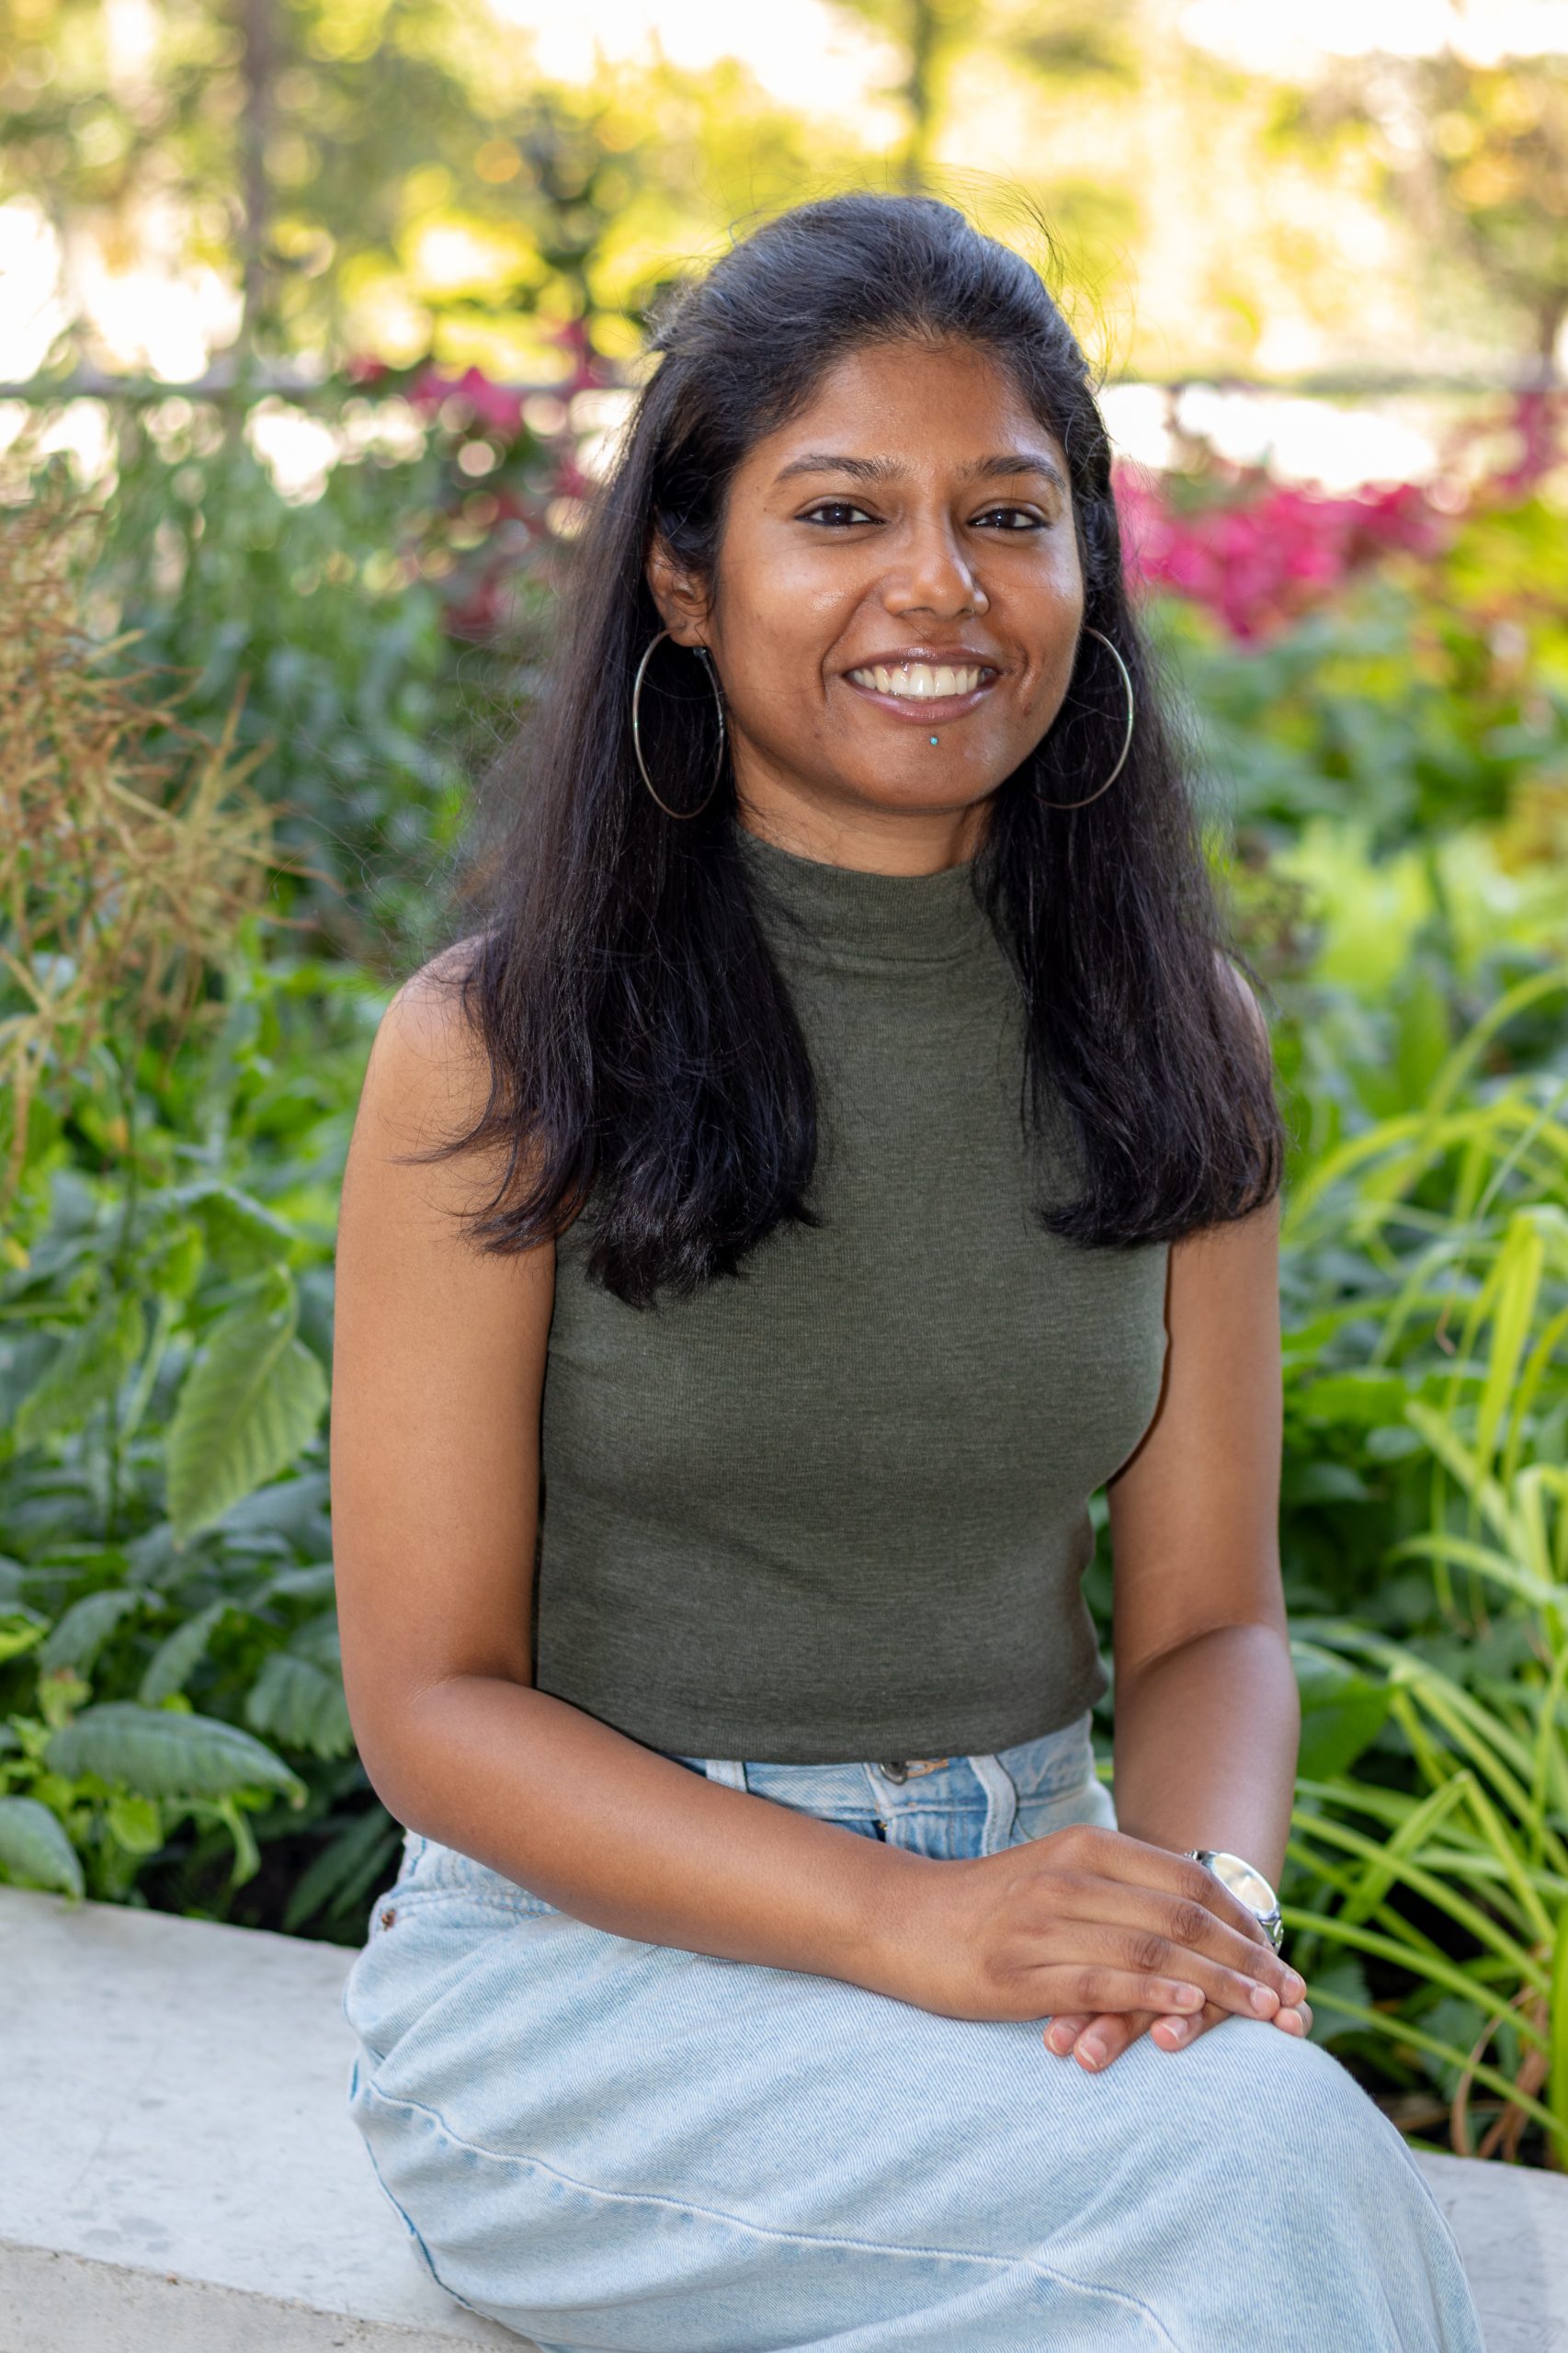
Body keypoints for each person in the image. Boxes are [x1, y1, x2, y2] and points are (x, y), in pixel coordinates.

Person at [330, 192, 1486, 2352]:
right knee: (1259, 2193)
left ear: (1084, 567)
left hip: (1036, 1917)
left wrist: (1199, 1910)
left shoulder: (1173, 1032)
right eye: (841, 510)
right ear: (687, 574)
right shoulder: (493, 1048)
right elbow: (433, 1705)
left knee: (1267, 2156)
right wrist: (905, 1919)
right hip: (587, 1989)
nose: (938, 587)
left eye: (1007, 514)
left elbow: (1215, 1617)